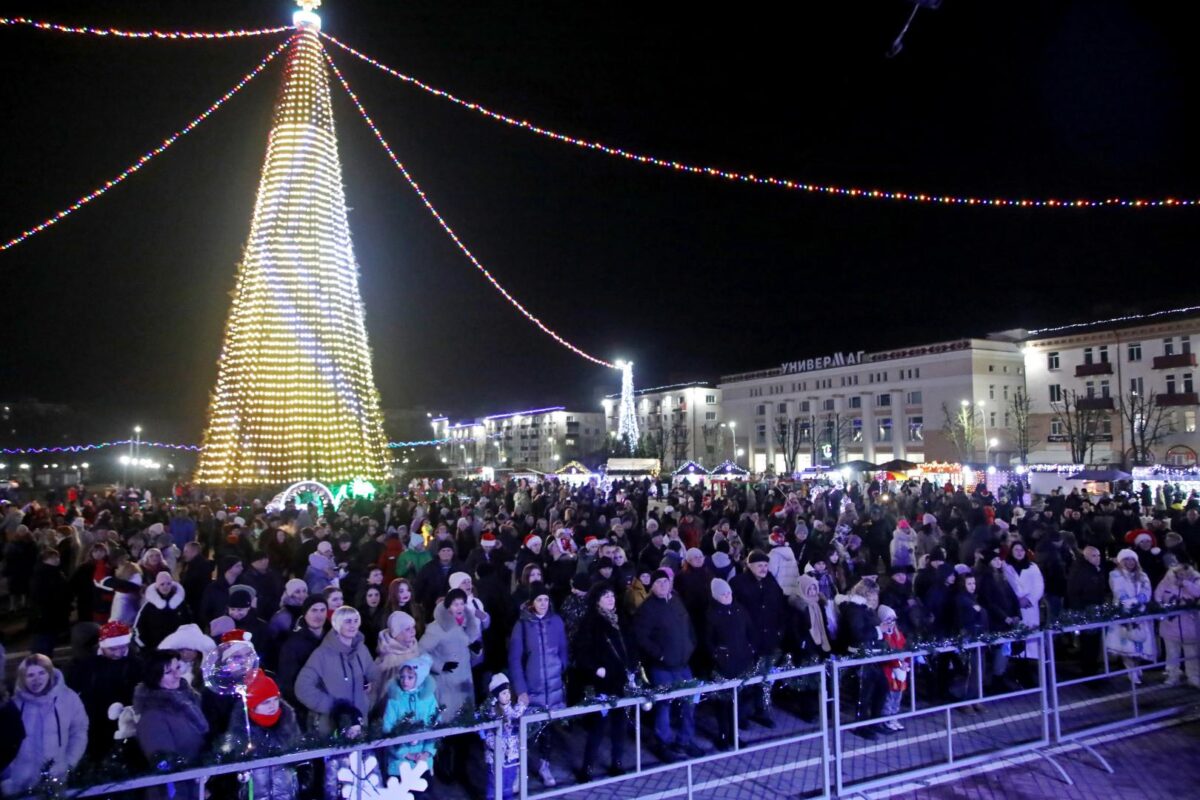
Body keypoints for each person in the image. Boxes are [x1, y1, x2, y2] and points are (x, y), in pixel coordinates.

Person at [634, 569, 702, 761]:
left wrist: (691, 644)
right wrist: (660, 655)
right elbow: (641, 637)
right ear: (652, 586)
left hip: (683, 664)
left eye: (665, 581)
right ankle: (663, 741)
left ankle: (684, 740)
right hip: (662, 667)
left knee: (689, 703)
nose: (663, 585)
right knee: (664, 705)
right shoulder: (647, 609)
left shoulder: (676, 602)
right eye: (658, 583)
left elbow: (688, 626)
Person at [1, 654, 88, 797]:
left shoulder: (68, 698)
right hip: (18, 784)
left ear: (50, 673)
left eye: (42, 673)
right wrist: (7, 777)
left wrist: (69, 762)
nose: (37, 679)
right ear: (23, 678)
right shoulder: (14, 704)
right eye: (30, 675)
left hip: (55, 781)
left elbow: (79, 731)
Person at [508, 582, 568, 787]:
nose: (543, 603)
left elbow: (563, 649)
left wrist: (562, 666)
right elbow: (515, 660)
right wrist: (521, 690)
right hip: (532, 689)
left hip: (553, 688)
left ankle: (544, 765)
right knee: (525, 733)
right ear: (531, 603)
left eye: (545, 600)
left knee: (547, 732)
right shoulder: (522, 625)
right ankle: (518, 771)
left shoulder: (557, 622)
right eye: (539, 600)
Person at [573, 583, 635, 779]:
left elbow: (630, 644)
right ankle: (587, 767)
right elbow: (581, 650)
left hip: (623, 678)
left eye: (612, 596)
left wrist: (633, 665)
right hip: (604, 681)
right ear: (597, 600)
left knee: (620, 724)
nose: (611, 599)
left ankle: (617, 762)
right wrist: (596, 669)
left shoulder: (621, 619)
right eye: (605, 596)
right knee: (598, 726)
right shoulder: (591, 621)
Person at [134, 649, 209, 800]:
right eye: (168, 672)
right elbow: (166, 765)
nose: (177, 675)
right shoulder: (152, 716)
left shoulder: (189, 701)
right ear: (155, 678)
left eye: (177, 668)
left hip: (197, 785)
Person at [294, 605, 379, 736]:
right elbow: (302, 688)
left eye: (356, 621)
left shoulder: (362, 650)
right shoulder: (322, 654)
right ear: (337, 624)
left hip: (360, 724)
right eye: (348, 621)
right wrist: (333, 707)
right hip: (332, 728)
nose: (353, 625)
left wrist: (367, 699)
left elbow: (375, 676)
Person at [66, 620, 144, 757]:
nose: (118, 652)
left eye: (122, 647)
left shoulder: (136, 663)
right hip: (96, 721)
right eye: (113, 649)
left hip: (125, 720)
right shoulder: (86, 664)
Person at [226, 670, 304, 800]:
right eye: (266, 702)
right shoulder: (241, 729)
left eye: (275, 699)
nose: (272, 706)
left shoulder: (288, 722)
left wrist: (304, 775)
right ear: (253, 705)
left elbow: (302, 751)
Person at [705, 577, 756, 750]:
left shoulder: (739, 610)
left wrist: (750, 649)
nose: (728, 596)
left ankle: (734, 734)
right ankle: (723, 734)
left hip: (741, 662)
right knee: (723, 703)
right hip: (723, 666)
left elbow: (750, 630)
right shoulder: (712, 615)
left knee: (738, 702)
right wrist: (717, 655)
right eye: (724, 594)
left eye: (729, 593)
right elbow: (707, 640)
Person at [420, 589, 481, 722]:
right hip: (446, 684)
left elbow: (467, 652)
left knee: (465, 723)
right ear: (448, 606)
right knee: (449, 722)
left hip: (464, 681)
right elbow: (421, 650)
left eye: (462, 603)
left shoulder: (467, 624)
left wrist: (476, 650)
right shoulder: (437, 628)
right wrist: (439, 666)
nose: (460, 607)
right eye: (455, 604)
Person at [382, 655, 440, 778]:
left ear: (419, 678)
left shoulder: (428, 699)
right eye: (402, 677)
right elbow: (388, 728)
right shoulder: (394, 700)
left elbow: (436, 726)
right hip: (399, 764)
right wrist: (406, 754)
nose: (405, 681)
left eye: (410, 677)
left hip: (423, 763)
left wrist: (427, 752)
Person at [1106, 548, 1157, 683]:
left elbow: (1147, 591)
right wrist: (1129, 602)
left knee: (1140, 641)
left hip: (1140, 612)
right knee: (1127, 644)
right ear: (1120, 561)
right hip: (1124, 613)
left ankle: (1137, 667)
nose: (1130, 562)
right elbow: (1118, 590)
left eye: (1132, 559)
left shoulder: (1143, 575)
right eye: (1126, 559)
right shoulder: (1115, 574)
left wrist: (1139, 600)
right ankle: (1131, 671)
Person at [277, 595, 328, 728]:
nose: (319, 615)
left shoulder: (332, 638)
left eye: (323, 610)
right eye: (314, 610)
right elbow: (287, 681)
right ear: (305, 613)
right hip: (305, 707)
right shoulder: (293, 644)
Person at [1153, 561, 1200, 688]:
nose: (1182, 574)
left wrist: (1185, 583)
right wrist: (1163, 608)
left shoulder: (1196, 580)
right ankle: (1172, 676)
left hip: (1190, 626)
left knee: (1192, 655)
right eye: (1179, 572)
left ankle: (1193, 677)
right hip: (1170, 625)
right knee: (1172, 654)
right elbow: (1158, 595)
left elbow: (1198, 592)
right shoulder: (1167, 581)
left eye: (1185, 572)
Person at [480, 674, 526, 800]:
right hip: (496, 758)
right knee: (494, 783)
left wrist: (522, 705)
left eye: (508, 692)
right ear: (496, 696)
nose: (508, 696)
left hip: (511, 755)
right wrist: (498, 747)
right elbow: (488, 736)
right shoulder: (492, 713)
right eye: (504, 693)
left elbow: (513, 715)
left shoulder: (509, 708)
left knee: (508, 781)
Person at [133, 569, 190, 651]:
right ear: (157, 586)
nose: (165, 587)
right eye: (162, 584)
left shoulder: (181, 604)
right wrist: (146, 648)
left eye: (168, 584)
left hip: (176, 649)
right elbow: (139, 627)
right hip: (154, 650)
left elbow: (188, 624)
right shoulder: (149, 606)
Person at [29, 546, 71, 657]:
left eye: (57, 557)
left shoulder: (57, 572)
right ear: (44, 560)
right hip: (45, 615)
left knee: (50, 641)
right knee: (43, 642)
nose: (56, 560)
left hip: (54, 614)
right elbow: (40, 595)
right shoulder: (42, 574)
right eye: (52, 558)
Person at [877, 605, 910, 731]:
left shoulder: (898, 634)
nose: (891, 623)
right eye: (888, 620)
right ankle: (886, 718)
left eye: (893, 620)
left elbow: (905, 648)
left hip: (900, 671)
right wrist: (896, 663)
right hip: (889, 672)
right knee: (888, 697)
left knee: (898, 697)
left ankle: (894, 717)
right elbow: (886, 655)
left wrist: (906, 662)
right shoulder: (883, 636)